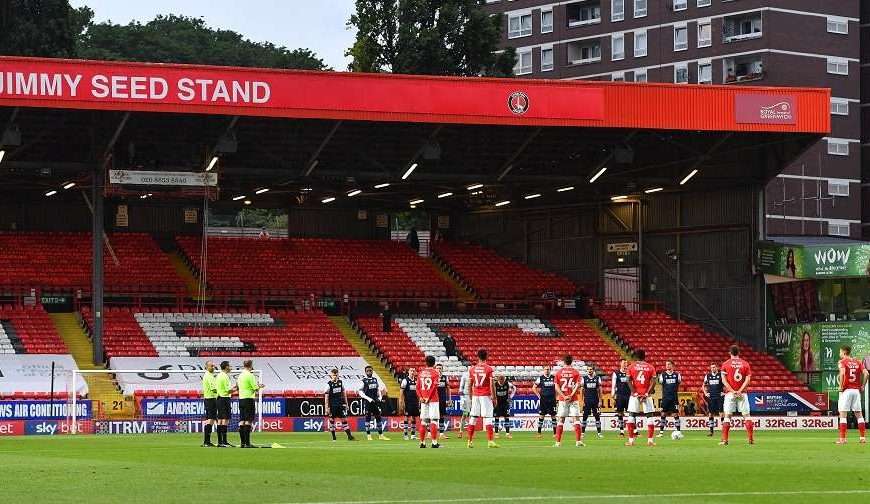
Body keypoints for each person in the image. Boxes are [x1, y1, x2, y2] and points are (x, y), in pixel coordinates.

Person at [720, 345, 753, 446]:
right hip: (742, 394)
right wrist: (740, 390)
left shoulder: (725, 364)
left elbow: (724, 380)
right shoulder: (745, 364)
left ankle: (725, 440)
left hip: (730, 394)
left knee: (727, 417)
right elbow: (748, 380)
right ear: (739, 352)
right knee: (747, 416)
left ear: (729, 353)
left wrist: (733, 391)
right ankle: (751, 439)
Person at [466, 348, 499, 448]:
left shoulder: (472, 369)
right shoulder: (489, 369)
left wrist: (471, 396)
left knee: (473, 418)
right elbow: (491, 384)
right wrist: (494, 397)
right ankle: (490, 441)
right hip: (485, 395)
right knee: (488, 417)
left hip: (476, 395)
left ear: (478, 357)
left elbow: (469, 384)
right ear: (486, 356)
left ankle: (469, 441)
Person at [836, 346, 868, 444]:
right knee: (859, 414)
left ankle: (842, 439)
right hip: (856, 391)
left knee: (843, 414)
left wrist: (841, 386)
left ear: (844, 352)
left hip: (846, 391)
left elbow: (842, 373)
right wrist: (862, 386)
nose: (840, 354)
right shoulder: (857, 362)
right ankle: (862, 438)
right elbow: (866, 374)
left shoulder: (842, 362)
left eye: (840, 352)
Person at [626, 350, 657, 447]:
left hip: (634, 395)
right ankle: (650, 441)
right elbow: (654, 381)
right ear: (645, 357)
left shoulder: (631, 366)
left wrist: (635, 393)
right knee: (650, 416)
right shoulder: (650, 367)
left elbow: (628, 380)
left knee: (631, 416)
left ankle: (631, 441)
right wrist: (647, 393)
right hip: (646, 394)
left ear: (635, 357)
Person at [554, 355, 584, 448]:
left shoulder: (558, 372)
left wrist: (563, 396)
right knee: (576, 419)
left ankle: (558, 443)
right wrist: (571, 395)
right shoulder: (576, 372)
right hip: (573, 399)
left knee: (561, 420)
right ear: (572, 361)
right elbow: (578, 385)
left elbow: (556, 387)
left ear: (563, 361)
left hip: (563, 400)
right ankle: (578, 441)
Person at [237, 359, 264, 448]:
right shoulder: (250, 375)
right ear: (251, 365)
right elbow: (255, 388)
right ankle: (248, 443)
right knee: (248, 420)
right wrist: (260, 386)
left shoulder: (240, 376)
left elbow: (238, 386)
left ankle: (242, 443)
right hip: (248, 398)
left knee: (242, 420)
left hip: (241, 399)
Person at [417, 356, 442, 448]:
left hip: (423, 399)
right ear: (434, 363)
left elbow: (417, 388)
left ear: (426, 362)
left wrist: (421, 397)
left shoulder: (421, 373)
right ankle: (434, 443)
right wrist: (429, 397)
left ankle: (422, 443)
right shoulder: (436, 373)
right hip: (433, 399)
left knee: (424, 421)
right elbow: (434, 387)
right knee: (434, 421)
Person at [358, 365, 389, 441]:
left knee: (378, 417)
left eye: (370, 370)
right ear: (365, 372)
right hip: (368, 402)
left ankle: (381, 435)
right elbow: (360, 392)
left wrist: (380, 397)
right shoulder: (363, 381)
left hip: (375, 401)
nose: (369, 372)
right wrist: (368, 399)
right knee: (368, 418)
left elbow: (378, 389)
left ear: (372, 371)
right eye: (367, 371)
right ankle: (368, 435)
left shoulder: (375, 380)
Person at [324, 368, 355, 442]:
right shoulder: (328, 385)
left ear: (338, 375)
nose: (335, 376)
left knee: (344, 420)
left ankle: (349, 436)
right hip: (332, 406)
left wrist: (346, 404)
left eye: (336, 375)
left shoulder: (341, 383)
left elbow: (344, 394)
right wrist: (326, 408)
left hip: (340, 405)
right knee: (332, 420)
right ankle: (334, 438)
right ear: (331, 375)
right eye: (333, 375)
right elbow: (326, 397)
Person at [658, 360, 682, 438]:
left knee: (675, 414)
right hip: (665, 398)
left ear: (672, 365)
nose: (667, 366)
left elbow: (679, 383)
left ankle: (678, 431)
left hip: (674, 398)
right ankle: (661, 432)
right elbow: (661, 384)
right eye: (666, 365)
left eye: (669, 364)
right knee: (663, 414)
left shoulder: (677, 375)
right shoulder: (662, 375)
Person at [533, 365, 557, 438]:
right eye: (546, 369)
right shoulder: (540, 378)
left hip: (552, 400)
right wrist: (538, 396)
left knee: (553, 416)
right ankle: (539, 433)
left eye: (548, 369)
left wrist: (557, 397)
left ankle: (555, 433)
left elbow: (557, 387)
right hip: (543, 400)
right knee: (541, 416)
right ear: (543, 370)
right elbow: (533, 387)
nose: (547, 370)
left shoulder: (554, 378)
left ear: (550, 369)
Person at [215, 360, 234, 448]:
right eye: (229, 366)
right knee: (224, 419)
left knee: (220, 419)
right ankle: (224, 441)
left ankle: (220, 441)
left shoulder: (219, 375)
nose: (230, 367)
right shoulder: (225, 377)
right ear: (226, 367)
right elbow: (227, 390)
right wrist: (237, 388)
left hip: (219, 398)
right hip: (224, 398)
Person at [580, 366, 603, 439]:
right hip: (587, 401)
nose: (589, 371)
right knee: (584, 417)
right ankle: (583, 433)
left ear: (593, 370)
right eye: (588, 369)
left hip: (595, 401)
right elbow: (582, 390)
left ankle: (599, 433)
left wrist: (600, 400)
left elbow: (600, 390)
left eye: (591, 369)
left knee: (597, 417)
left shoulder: (597, 378)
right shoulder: (584, 378)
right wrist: (582, 401)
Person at [703, 363, 725, 437]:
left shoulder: (721, 375)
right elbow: (703, 386)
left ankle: (723, 431)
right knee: (710, 413)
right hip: (711, 397)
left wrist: (725, 392)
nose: (713, 368)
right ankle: (711, 432)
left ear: (717, 368)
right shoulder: (708, 376)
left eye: (714, 367)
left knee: (721, 413)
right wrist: (705, 393)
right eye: (712, 367)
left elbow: (727, 384)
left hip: (719, 396)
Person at [611, 359, 631, 437]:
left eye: (626, 363)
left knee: (631, 413)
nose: (625, 364)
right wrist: (613, 394)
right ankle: (622, 431)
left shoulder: (629, 373)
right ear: (620, 364)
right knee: (620, 413)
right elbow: (614, 385)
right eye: (623, 363)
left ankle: (635, 431)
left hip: (629, 395)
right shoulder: (616, 373)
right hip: (620, 395)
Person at [201, 360, 218, 447]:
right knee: (210, 420)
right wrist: (221, 392)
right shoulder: (209, 376)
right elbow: (213, 389)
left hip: (208, 399)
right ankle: (206, 441)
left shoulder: (208, 375)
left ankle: (207, 441)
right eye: (211, 366)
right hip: (211, 399)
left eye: (213, 366)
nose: (213, 367)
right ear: (206, 367)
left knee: (209, 420)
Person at [399, 368, 420, 441]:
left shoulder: (416, 380)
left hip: (415, 402)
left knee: (414, 417)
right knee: (407, 417)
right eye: (411, 371)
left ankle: (413, 435)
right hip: (408, 402)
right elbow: (401, 392)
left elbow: (418, 391)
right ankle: (405, 434)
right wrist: (401, 402)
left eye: (414, 371)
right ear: (408, 372)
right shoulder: (405, 380)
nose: (412, 372)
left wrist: (419, 400)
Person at [493, 375, 516, 439]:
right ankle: (496, 433)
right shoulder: (495, 384)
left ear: (504, 380)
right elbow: (491, 391)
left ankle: (507, 433)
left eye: (502, 380)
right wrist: (493, 399)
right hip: (497, 403)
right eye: (500, 381)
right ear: (498, 380)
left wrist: (511, 397)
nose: (501, 382)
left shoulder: (507, 383)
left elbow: (514, 388)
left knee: (506, 417)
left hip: (505, 403)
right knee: (496, 418)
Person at [435, 363, 450, 438]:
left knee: (441, 415)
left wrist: (449, 399)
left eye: (440, 368)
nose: (439, 370)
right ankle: (429, 433)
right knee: (432, 416)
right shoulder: (433, 377)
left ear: (442, 369)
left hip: (442, 399)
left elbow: (448, 389)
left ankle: (441, 434)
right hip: (434, 400)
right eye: (437, 368)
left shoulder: (445, 378)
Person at [457, 367, 471, 438]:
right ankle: (461, 431)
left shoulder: (476, 375)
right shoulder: (465, 375)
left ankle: (470, 432)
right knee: (465, 414)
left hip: (474, 396)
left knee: (473, 415)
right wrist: (462, 398)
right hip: (466, 396)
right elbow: (461, 387)